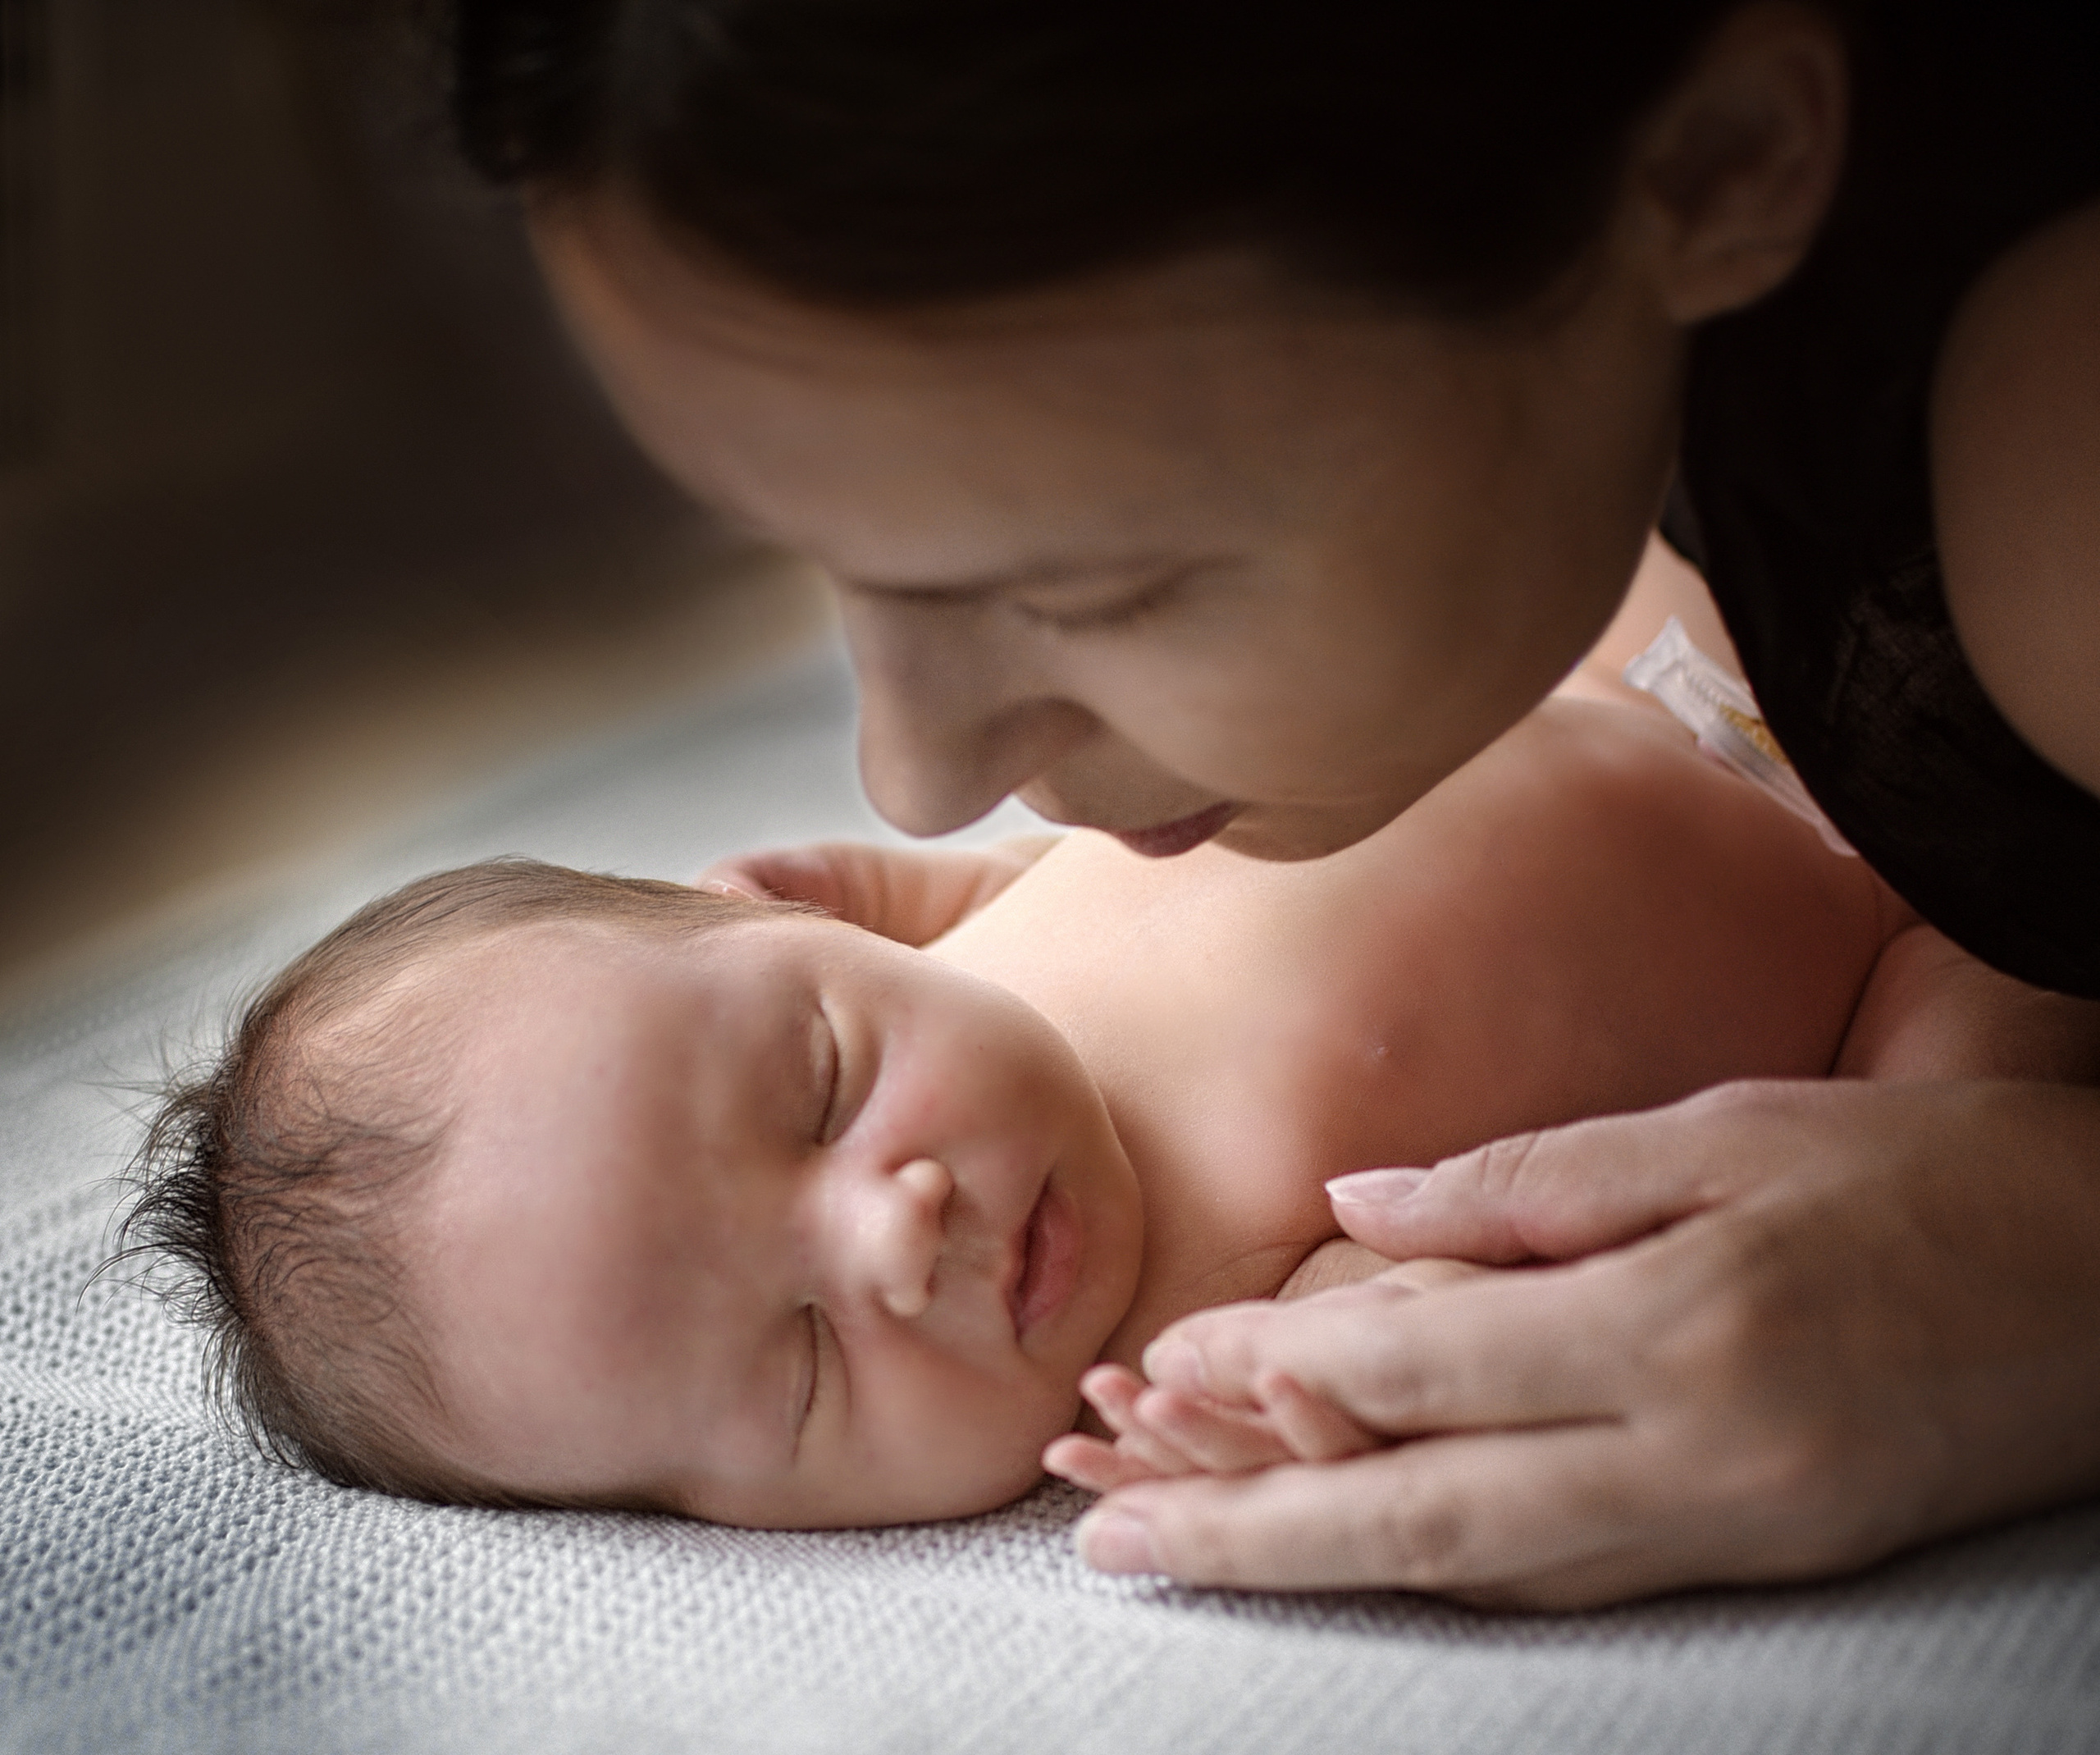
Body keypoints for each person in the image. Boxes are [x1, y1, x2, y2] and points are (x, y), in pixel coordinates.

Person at [438, 0, 2100, 1602]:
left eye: (1082, 584)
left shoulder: (2050, 522)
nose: (915, 782)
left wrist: (2023, 1253)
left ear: (1717, 163)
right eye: (834, 558)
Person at [121, 664, 2086, 1529]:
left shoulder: (961, 930)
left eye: (813, 1082)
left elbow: (938, 885)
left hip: (1660, 669)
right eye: (801, 1364)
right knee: (1947, 1085)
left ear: (778, 914)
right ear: (729, 1516)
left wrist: (910, 893)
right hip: (1911, 954)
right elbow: (1464, 1317)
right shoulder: (1188, 1339)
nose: (894, 1230)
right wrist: (1331, 1380)